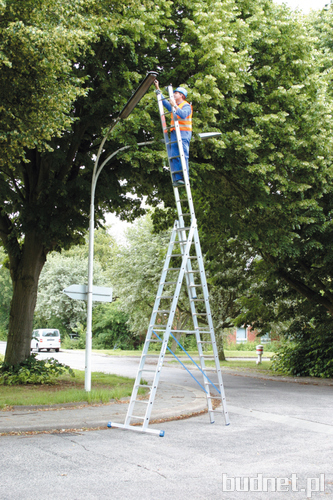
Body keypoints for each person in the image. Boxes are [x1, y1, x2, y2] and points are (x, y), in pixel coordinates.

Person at [154, 80, 193, 187]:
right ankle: (177, 179)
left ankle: (185, 177)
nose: (174, 94)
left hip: (184, 133)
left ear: (181, 95)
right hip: (175, 132)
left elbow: (183, 114)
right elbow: (165, 103)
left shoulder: (186, 105)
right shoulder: (174, 105)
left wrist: (175, 106)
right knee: (174, 155)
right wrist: (158, 89)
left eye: (175, 93)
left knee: (183, 155)